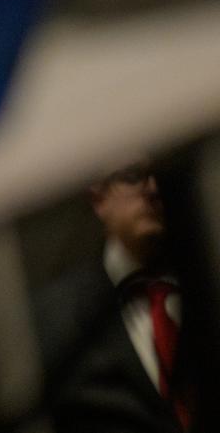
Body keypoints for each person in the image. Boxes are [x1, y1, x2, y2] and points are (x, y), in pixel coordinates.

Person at [34, 162, 202, 432]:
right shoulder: (56, 321)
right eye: (134, 176)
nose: (154, 189)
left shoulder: (208, 277)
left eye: (162, 174)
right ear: (98, 196)